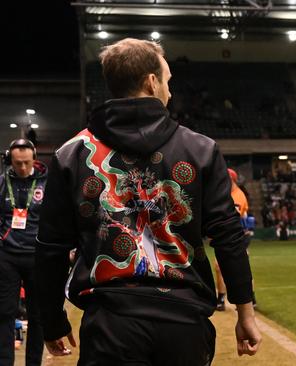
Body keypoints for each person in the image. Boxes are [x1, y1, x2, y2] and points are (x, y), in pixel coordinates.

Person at [35, 38, 261, 365]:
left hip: (109, 322)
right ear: (151, 82)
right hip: (184, 323)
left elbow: (51, 247)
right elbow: (228, 237)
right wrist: (245, 311)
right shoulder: (200, 150)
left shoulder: (71, 154)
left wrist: (53, 320)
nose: (169, 90)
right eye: (167, 80)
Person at [0, 138, 46, 366]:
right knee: (5, 313)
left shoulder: (47, 184)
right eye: (17, 163)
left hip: (37, 256)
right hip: (7, 256)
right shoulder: (2, 182)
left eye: (27, 162)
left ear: (34, 160)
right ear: (11, 161)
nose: (22, 168)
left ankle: (33, 363)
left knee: (37, 316)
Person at [215, 168, 255, 311]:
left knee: (236, 266)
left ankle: (244, 298)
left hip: (238, 235)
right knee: (223, 267)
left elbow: (234, 217)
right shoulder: (230, 194)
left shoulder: (237, 195)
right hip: (235, 234)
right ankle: (223, 298)